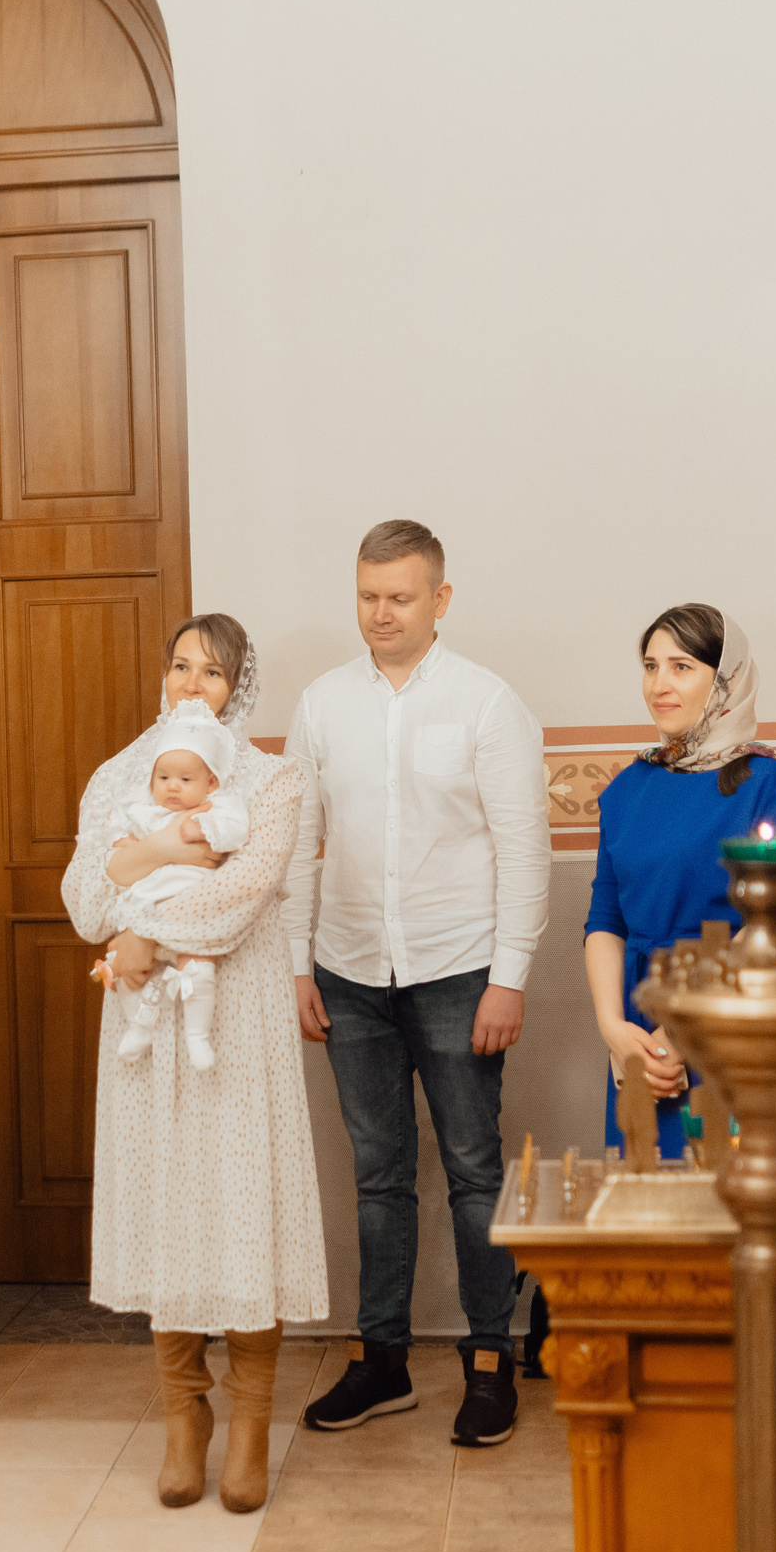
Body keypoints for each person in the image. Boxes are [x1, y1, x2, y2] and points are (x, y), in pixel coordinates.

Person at [285, 520, 549, 1449]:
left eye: (400, 597)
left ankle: (489, 1361)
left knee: (476, 1172)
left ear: (440, 599)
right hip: (349, 971)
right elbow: (299, 847)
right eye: (367, 596)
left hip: (458, 969)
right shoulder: (321, 704)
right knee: (378, 1174)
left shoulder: (487, 704)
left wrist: (507, 978)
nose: (381, 613)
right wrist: (297, 963)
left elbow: (524, 849)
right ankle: (383, 1361)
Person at [65, 613, 325, 1512]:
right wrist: (128, 900)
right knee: (168, 1201)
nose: (191, 686)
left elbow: (242, 893)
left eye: (212, 673)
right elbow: (81, 895)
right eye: (180, 667)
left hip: (237, 1016)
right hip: (145, 1024)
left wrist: (141, 921)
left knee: (244, 1203)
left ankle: (252, 1420)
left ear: (239, 687)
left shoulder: (275, 779)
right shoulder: (117, 773)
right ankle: (186, 1414)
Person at [585, 605, 776, 1158]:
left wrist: (683, 1033)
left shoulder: (768, 780)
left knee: (735, 1202)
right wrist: (614, 1030)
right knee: (649, 1211)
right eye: (650, 667)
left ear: (726, 680)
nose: (659, 685)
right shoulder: (627, 788)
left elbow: (771, 928)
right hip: (639, 1026)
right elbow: (606, 918)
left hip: (730, 1014)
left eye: (681, 667)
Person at [97, 699, 250, 1068]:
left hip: (188, 903)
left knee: (197, 967)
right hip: (144, 903)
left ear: (210, 782)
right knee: (123, 964)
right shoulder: (146, 808)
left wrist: (204, 829)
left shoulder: (217, 806)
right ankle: (139, 1026)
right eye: (163, 778)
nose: (172, 788)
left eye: (185, 780)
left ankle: (198, 1036)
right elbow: (119, 830)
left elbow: (237, 828)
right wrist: (125, 840)